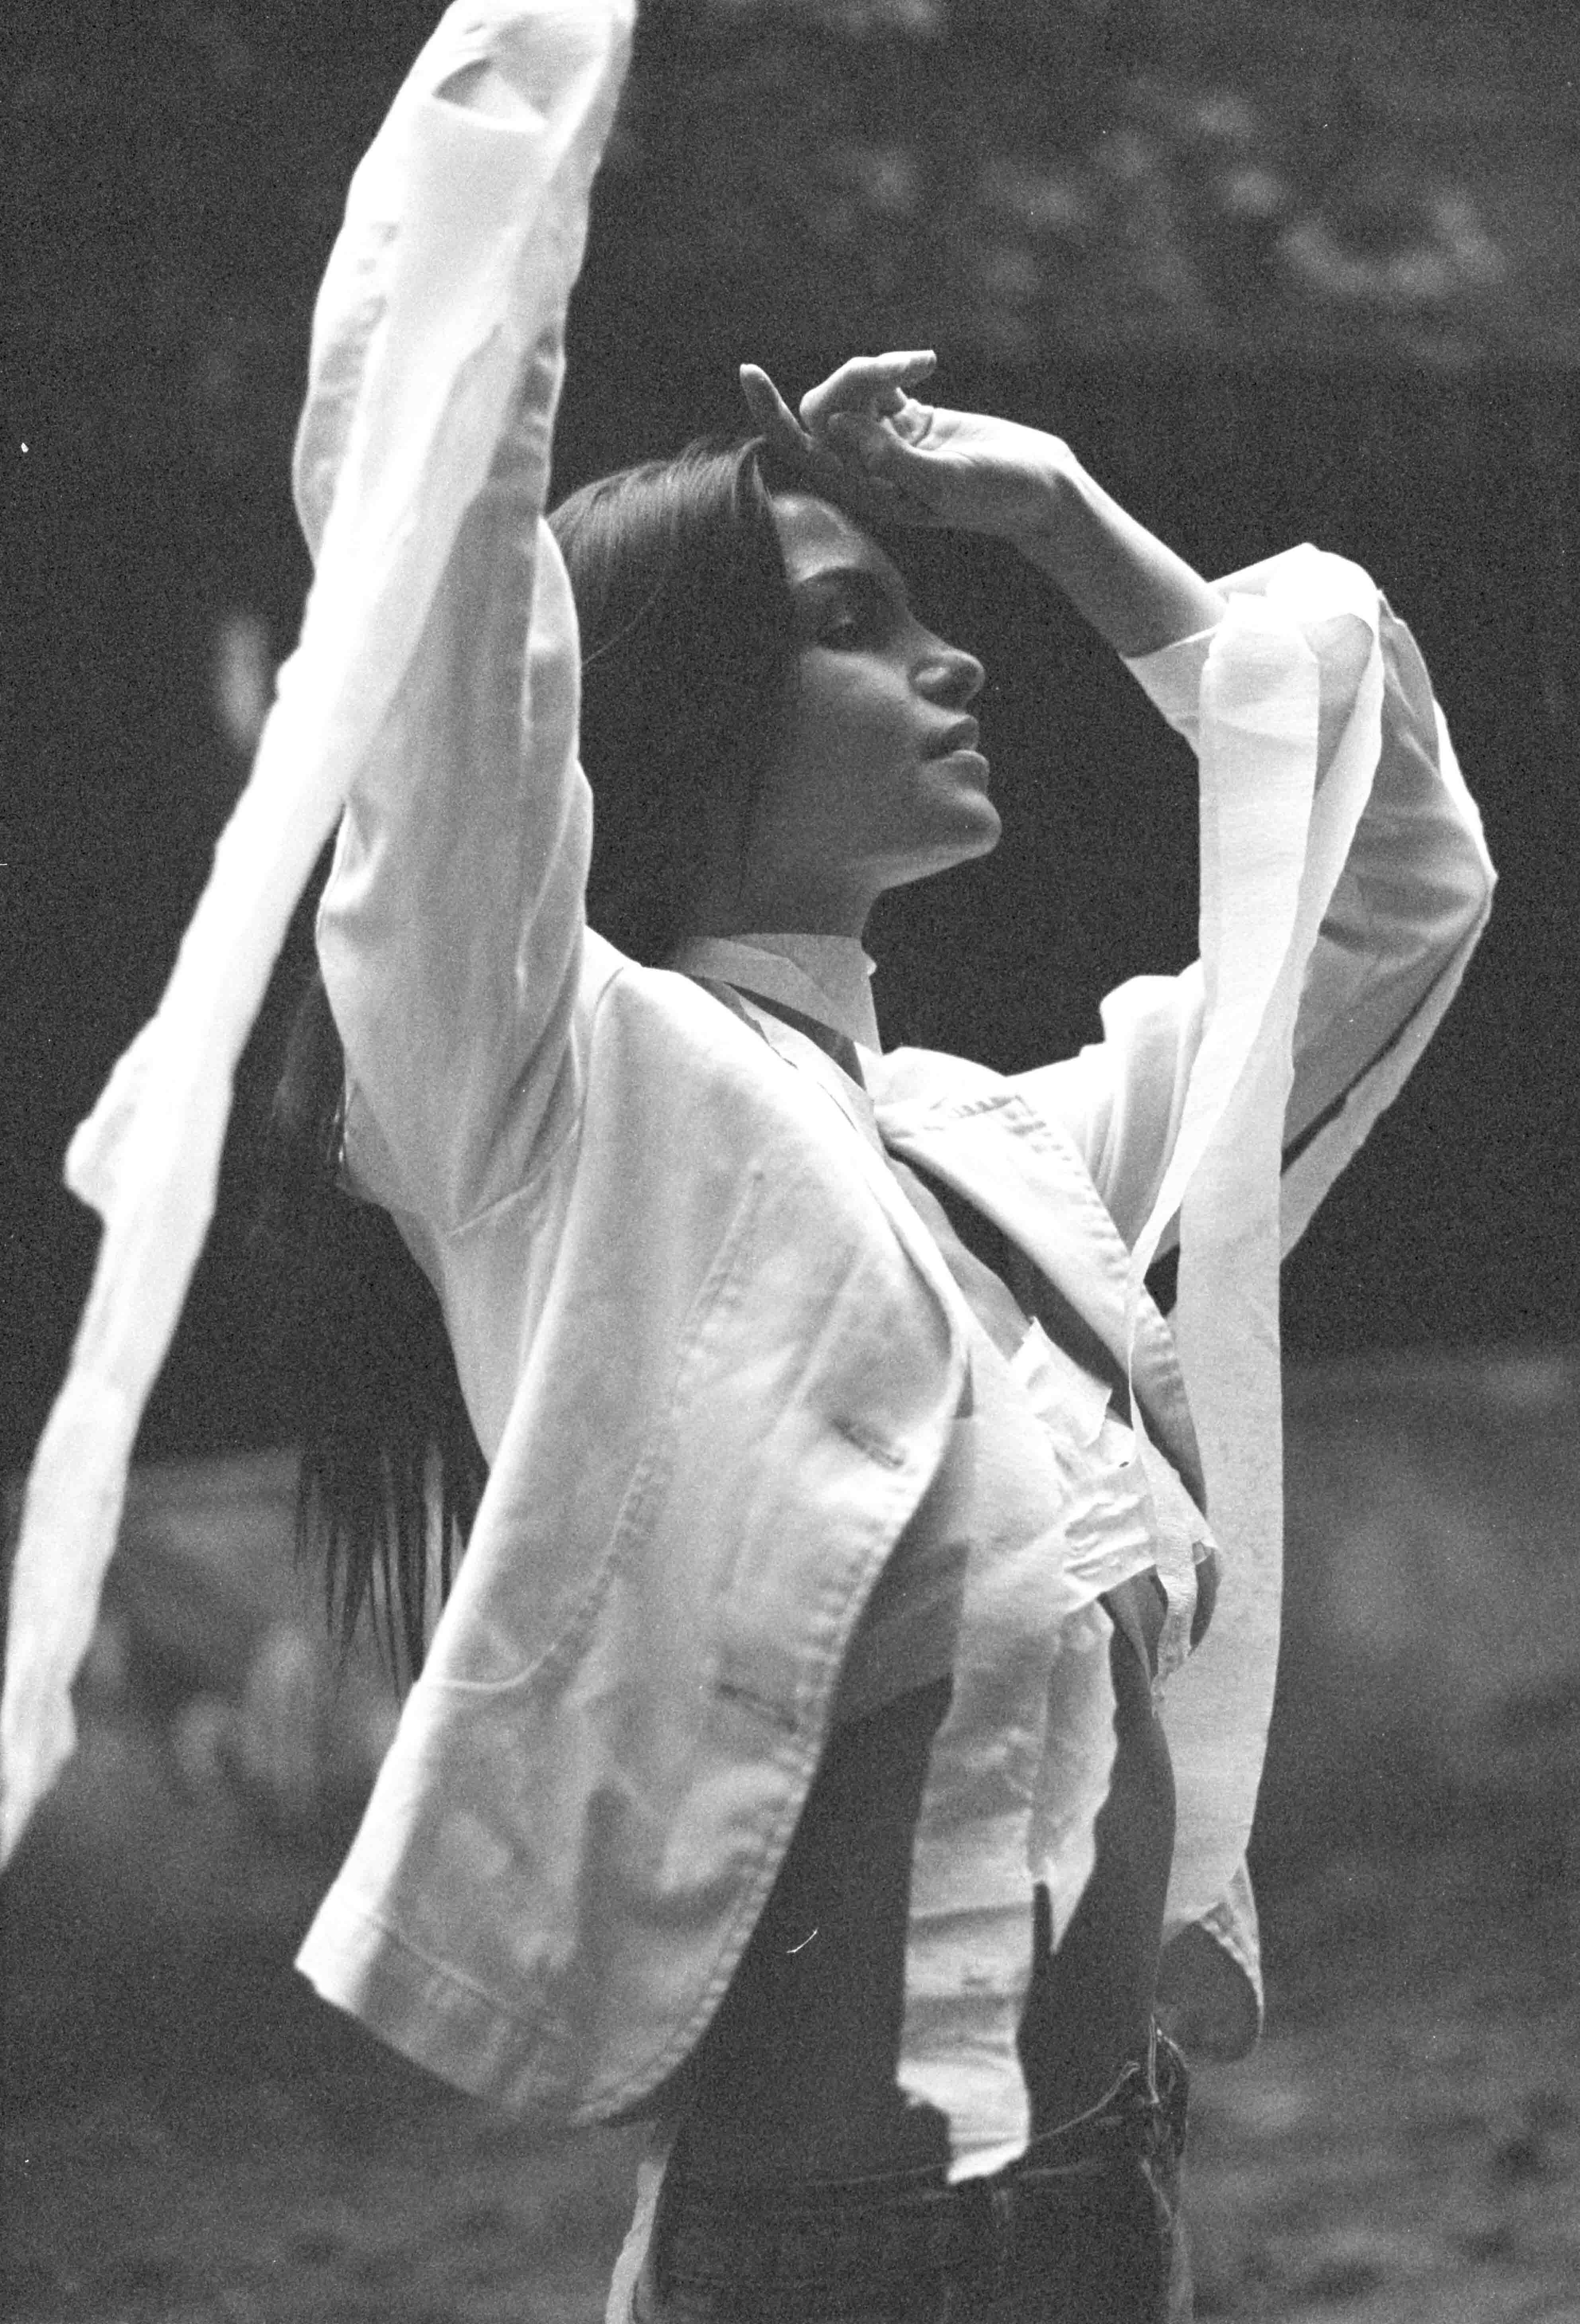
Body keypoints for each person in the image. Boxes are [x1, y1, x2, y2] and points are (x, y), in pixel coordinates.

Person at [0, 5, 1491, 2322]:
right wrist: (538, 42)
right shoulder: (558, 1101)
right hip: (835, 2270)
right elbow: (435, 513)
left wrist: (1060, 516)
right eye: (852, 622)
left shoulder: (1000, 1159)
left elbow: (1383, 887)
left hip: (1116, 2213)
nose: (954, 661)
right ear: (673, 709)